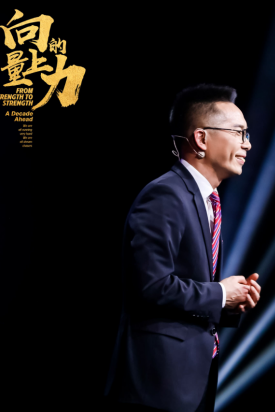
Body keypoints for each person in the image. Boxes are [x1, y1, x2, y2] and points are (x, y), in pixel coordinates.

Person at [104, 84, 261, 412]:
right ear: (201, 139)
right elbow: (151, 286)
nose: (247, 143)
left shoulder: (207, 200)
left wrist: (231, 303)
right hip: (157, 387)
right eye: (238, 133)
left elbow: (187, 291)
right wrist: (221, 293)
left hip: (191, 382)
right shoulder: (166, 195)